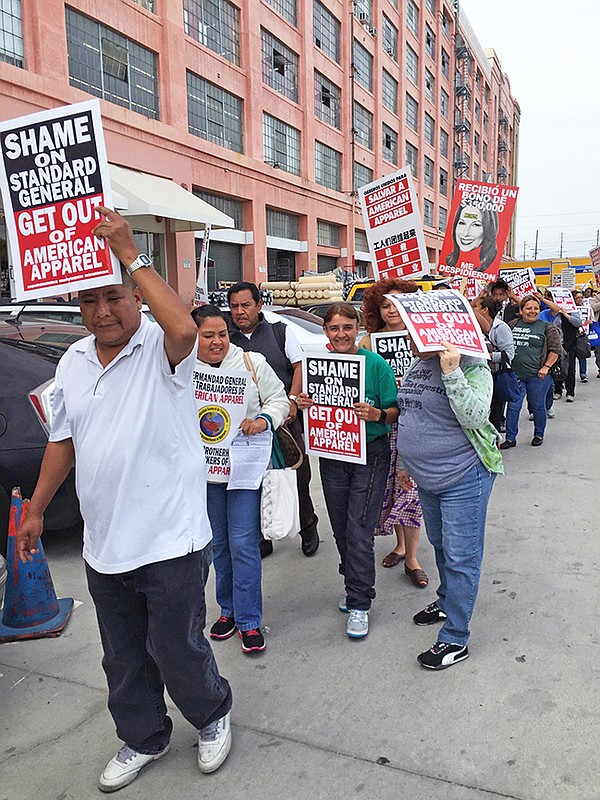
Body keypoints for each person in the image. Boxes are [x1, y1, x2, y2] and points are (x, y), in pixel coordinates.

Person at [16, 209, 232, 793]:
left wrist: (132, 254)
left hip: (170, 539)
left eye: (115, 297)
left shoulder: (164, 351)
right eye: (91, 302)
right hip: (105, 543)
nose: (103, 312)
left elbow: (186, 329)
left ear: (135, 298)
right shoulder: (72, 362)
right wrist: (36, 509)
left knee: (178, 646)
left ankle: (211, 717)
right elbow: (63, 441)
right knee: (123, 656)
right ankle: (143, 736)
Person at [396, 338, 503, 669]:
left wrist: (453, 371)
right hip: (428, 477)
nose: (409, 339)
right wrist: (404, 462)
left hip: (463, 475)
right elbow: (410, 415)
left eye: (415, 334)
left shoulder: (472, 366)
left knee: (461, 558)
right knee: (441, 545)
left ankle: (456, 638)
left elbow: (474, 416)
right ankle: (445, 601)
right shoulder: (420, 363)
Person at [296, 303, 399, 639]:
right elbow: (303, 399)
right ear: (326, 331)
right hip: (333, 453)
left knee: (358, 528)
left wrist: (376, 415)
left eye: (347, 327)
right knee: (341, 526)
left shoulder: (375, 364)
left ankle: (359, 601)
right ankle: (352, 581)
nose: (341, 334)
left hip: (371, 454)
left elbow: (395, 409)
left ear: (358, 329)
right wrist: (304, 404)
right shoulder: (318, 364)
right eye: (334, 328)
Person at [192, 305, 289, 654]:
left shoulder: (251, 362)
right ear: (194, 336)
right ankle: (227, 610)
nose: (216, 342)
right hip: (205, 473)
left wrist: (263, 420)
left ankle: (249, 620)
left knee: (244, 544)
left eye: (221, 334)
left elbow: (280, 400)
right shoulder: (185, 368)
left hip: (244, 469)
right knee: (218, 544)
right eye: (208, 336)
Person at [227, 282, 319, 558]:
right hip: (245, 429)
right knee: (253, 481)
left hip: (283, 421)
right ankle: (264, 535)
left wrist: (291, 401)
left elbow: (298, 365)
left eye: (246, 305)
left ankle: (307, 526)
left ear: (258, 305)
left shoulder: (280, 332)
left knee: (296, 476)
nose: (240, 312)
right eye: (234, 307)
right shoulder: (228, 339)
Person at [359, 278, 428, 588]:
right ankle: (399, 545)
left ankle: (412, 558)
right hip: (382, 425)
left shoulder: (424, 340)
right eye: (385, 304)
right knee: (389, 488)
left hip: (416, 424)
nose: (391, 310)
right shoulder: (367, 343)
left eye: (397, 303)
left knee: (410, 488)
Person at [501, 295, 562, 449]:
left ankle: (538, 434)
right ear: (521, 311)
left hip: (539, 376)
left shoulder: (547, 327)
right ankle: (510, 438)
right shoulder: (512, 325)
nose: (533, 311)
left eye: (536, 308)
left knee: (537, 406)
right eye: (528, 308)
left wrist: (546, 367)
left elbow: (556, 350)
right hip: (515, 375)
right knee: (513, 407)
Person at [538, 290, 581, 402]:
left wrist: (567, 316)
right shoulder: (550, 312)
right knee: (556, 368)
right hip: (556, 345)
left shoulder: (572, 310)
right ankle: (558, 390)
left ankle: (570, 392)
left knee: (570, 368)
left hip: (569, 344)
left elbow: (578, 323)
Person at [444, 203, 499, 273]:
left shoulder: (489, 266)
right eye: (462, 223)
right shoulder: (449, 261)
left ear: (489, 229)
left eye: (476, 225)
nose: (465, 233)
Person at [572, 290, 589, 382]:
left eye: (581, 297)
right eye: (577, 298)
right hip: (572, 334)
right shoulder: (570, 309)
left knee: (582, 354)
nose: (579, 299)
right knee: (571, 357)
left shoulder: (587, 308)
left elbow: (592, 318)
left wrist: (590, 321)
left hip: (582, 334)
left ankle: (583, 374)